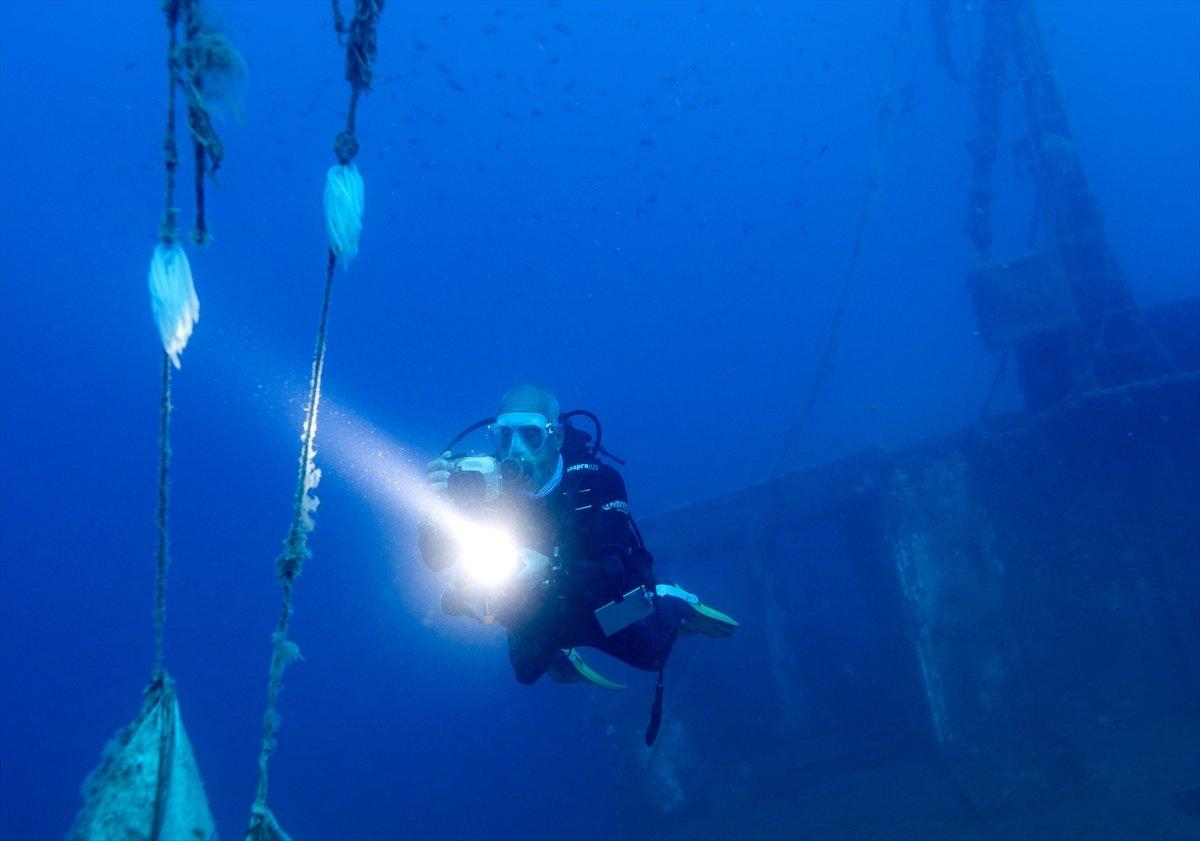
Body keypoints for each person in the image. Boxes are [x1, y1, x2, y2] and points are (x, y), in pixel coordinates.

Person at [418, 384, 736, 700]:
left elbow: (616, 569)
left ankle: (669, 599)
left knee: (651, 653)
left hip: (600, 602)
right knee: (526, 671)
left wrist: (550, 569)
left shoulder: (598, 482)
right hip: (540, 605)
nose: (514, 448)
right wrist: (436, 510)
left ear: (555, 437)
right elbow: (437, 560)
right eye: (504, 436)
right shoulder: (480, 485)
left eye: (530, 435)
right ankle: (562, 649)